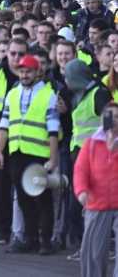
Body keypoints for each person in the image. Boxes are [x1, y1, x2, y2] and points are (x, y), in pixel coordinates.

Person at [0, 55, 60, 255]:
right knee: (23, 198)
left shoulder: (48, 95)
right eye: (21, 71)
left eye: (28, 71)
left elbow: (53, 129)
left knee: (43, 199)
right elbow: (4, 126)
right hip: (17, 153)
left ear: (37, 72)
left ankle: (46, 240)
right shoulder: (12, 94)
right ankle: (31, 237)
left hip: (39, 154)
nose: (24, 75)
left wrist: (53, 158)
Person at [74, 102, 118, 277]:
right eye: (110, 116)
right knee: (94, 253)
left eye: (117, 117)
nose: (114, 120)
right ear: (102, 119)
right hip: (97, 203)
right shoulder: (91, 143)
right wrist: (81, 191)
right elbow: (80, 170)